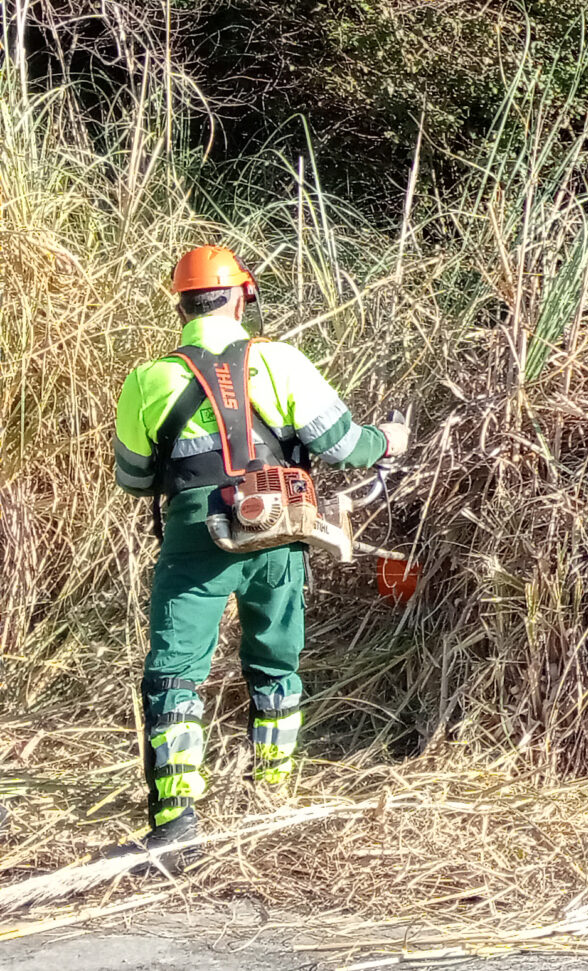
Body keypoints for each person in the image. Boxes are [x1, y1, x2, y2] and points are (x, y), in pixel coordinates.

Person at [110, 245, 407, 856]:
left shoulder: (147, 378)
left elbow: (134, 479)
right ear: (242, 294)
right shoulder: (282, 361)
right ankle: (270, 792)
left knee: (175, 671)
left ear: (182, 303)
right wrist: (388, 439)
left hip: (197, 539)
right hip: (280, 527)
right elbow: (345, 442)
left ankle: (175, 822)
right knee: (276, 662)